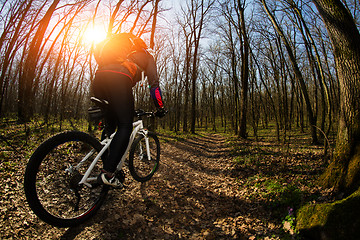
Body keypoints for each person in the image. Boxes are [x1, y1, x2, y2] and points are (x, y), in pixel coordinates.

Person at [91, 33, 166, 188]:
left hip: (99, 78)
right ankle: (108, 173)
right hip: (118, 78)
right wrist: (159, 106)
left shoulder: (124, 55)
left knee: (111, 128)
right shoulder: (147, 57)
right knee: (125, 126)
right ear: (144, 47)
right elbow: (154, 84)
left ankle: (105, 163)